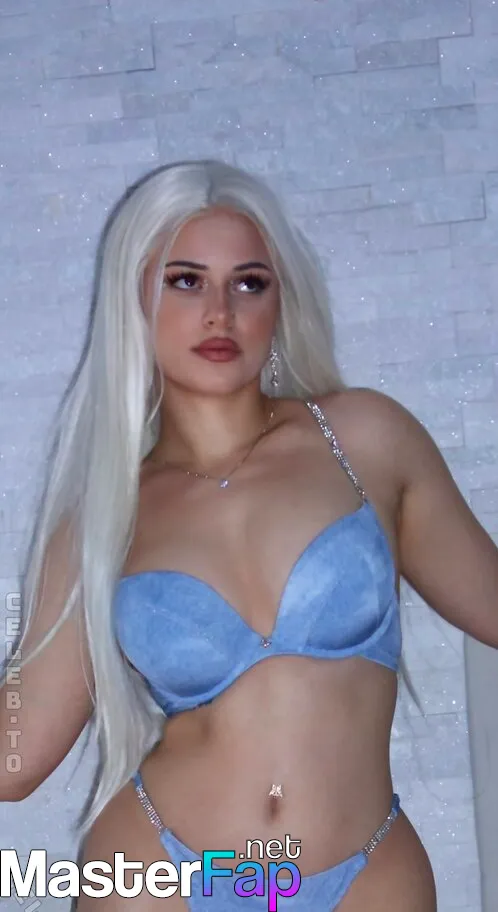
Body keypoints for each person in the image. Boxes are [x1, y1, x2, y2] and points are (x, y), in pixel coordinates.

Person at [2, 159, 497, 911]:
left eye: (248, 283)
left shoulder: (364, 440)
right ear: (135, 298)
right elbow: (15, 760)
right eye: (186, 280)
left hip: (368, 876)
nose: (220, 313)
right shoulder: (104, 516)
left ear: (280, 298)